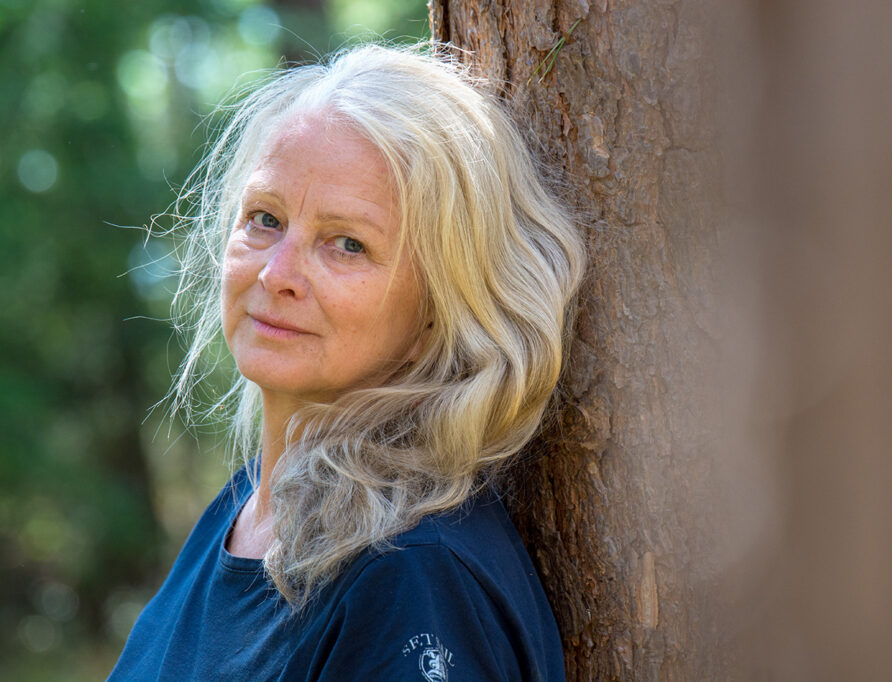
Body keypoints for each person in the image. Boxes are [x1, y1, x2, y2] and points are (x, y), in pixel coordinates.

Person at [108, 43, 586, 681]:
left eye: (347, 244)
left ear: (440, 308)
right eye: (265, 219)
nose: (277, 274)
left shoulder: (409, 575)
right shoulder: (247, 508)